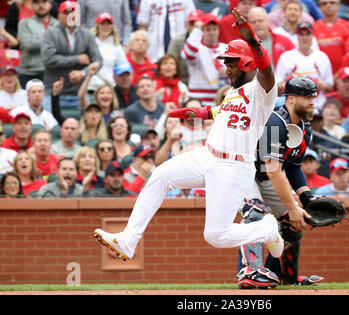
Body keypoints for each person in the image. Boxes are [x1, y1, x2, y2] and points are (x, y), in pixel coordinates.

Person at [93, 8, 283, 263]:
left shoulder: (263, 92)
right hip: (208, 155)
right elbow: (224, 110)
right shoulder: (233, 92)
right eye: (225, 62)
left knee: (215, 235)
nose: (226, 68)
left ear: (247, 63)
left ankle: (266, 229)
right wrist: (201, 112)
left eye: (230, 62)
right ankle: (129, 240)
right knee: (159, 176)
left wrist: (252, 40)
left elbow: (267, 69)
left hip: (234, 166)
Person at [237, 77, 318, 288]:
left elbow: (293, 167)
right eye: (307, 97)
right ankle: (250, 272)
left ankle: (281, 276)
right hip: (240, 171)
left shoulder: (305, 127)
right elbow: (274, 171)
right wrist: (292, 207)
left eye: (313, 98)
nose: (312, 102)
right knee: (255, 212)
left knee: (295, 224)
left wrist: (306, 197)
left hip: (263, 175)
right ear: (290, 98)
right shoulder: (274, 122)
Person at [41, 1, 103, 109]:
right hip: (54, 92)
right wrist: (77, 59)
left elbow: (98, 61)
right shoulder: (50, 33)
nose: (70, 16)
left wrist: (83, 73)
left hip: (80, 92)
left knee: (85, 123)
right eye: (66, 13)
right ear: (59, 15)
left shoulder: (87, 34)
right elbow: (48, 59)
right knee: (50, 124)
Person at [275, 21, 333, 113]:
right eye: (301, 34)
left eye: (308, 34)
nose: (305, 38)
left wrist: (323, 85)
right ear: (297, 36)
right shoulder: (287, 56)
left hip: (316, 106)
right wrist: (292, 84)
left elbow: (330, 86)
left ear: (313, 36)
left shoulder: (322, 57)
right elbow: (276, 86)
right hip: (293, 107)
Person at [182, 13, 228, 107]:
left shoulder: (226, 48)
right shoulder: (196, 48)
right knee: (197, 122)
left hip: (221, 100)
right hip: (198, 101)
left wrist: (229, 72)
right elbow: (188, 53)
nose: (211, 32)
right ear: (202, 31)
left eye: (214, 29)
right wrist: (197, 30)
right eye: (207, 29)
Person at [16, 0, 58, 87]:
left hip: (52, 72)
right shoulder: (25, 23)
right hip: (29, 72)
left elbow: (63, 46)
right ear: (32, 5)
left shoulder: (58, 24)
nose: (41, 5)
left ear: (50, 4)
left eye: (44, 2)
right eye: (37, 3)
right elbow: (28, 45)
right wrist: (52, 41)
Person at [86, 12, 128, 93]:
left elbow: (123, 68)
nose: (106, 27)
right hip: (91, 88)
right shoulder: (88, 43)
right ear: (97, 25)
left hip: (110, 88)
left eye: (108, 24)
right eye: (103, 24)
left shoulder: (117, 47)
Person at [313, 0, 349, 74]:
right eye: (324, 3)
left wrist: (339, 74)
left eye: (332, 2)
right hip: (319, 75)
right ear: (320, 7)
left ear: (338, 6)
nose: (328, 5)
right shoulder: (313, 27)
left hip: (343, 76)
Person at [167, 9, 204, 86]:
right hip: (182, 79)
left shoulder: (209, 38)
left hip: (204, 80)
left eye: (197, 24)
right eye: (191, 23)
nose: (194, 27)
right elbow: (170, 61)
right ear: (187, 25)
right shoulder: (177, 40)